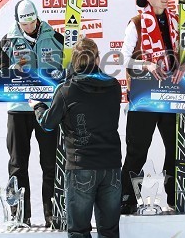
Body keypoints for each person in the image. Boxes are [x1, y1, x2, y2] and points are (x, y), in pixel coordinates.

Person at [119, 0, 185, 214]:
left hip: (172, 95)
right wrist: (146, 65)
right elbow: (123, 59)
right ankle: (126, 198)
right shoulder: (136, 23)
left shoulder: (178, 21)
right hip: (144, 96)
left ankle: (174, 197)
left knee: (175, 148)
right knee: (137, 150)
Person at [30, 37, 122, 238]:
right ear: (97, 59)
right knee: (110, 232)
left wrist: (37, 106)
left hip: (82, 166)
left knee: (79, 232)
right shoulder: (115, 86)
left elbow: (47, 124)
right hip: (111, 166)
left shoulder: (66, 89)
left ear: (74, 61)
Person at [0, 0, 64, 227]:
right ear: (17, 22)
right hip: (19, 109)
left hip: (46, 109)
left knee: (51, 163)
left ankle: (52, 215)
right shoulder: (8, 41)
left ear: (37, 17)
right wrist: (10, 71)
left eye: (33, 21)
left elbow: (68, 65)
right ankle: (20, 215)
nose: (30, 26)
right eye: (25, 24)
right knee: (17, 164)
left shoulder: (53, 36)